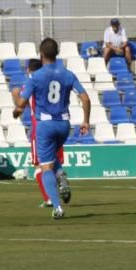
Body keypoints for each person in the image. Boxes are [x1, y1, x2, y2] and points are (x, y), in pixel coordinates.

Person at [14, 38, 90, 219]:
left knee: (45, 166)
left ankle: (57, 207)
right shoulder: (68, 74)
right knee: (52, 159)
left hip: (45, 125)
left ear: (41, 55)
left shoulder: (36, 76)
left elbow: (22, 103)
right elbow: (85, 98)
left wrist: (16, 103)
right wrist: (85, 121)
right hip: (64, 124)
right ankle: (60, 173)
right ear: (57, 54)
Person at [15, 58, 68, 208]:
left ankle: (50, 199)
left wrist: (15, 95)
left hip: (39, 129)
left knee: (40, 168)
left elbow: (20, 106)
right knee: (53, 164)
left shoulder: (30, 84)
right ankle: (60, 178)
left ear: (29, 70)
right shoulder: (53, 82)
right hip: (57, 125)